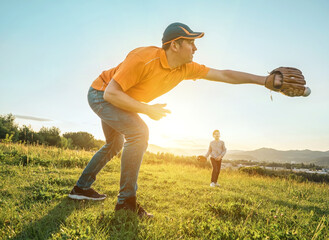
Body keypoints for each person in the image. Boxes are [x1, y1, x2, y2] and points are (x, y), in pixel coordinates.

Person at [68, 22, 286, 218]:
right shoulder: (143, 58)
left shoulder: (185, 69)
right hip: (101, 93)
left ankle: (81, 189)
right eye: (191, 43)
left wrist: (264, 81)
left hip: (118, 99)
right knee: (139, 133)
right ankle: (126, 203)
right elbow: (111, 94)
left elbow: (224, 75)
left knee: (115, 143)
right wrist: (146, 109)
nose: (196, 48)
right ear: (175, 45)